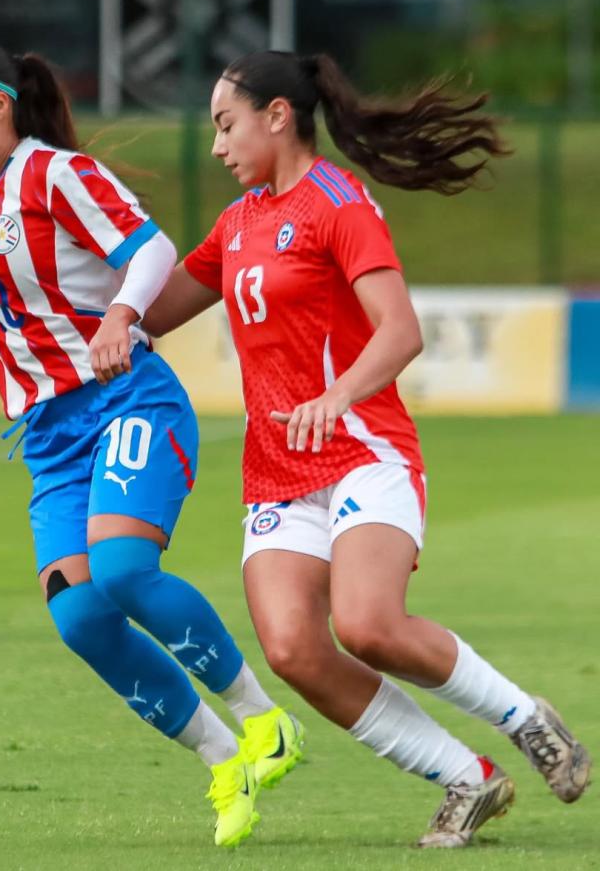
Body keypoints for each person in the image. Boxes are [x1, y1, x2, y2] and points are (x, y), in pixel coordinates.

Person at [0, 37, 306, 849]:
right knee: (83, 617)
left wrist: (122, 316)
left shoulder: (57, 175)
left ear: (0, 106)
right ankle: (223, 758)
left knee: (123, 570)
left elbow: (152, 249)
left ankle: (264, 719)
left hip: (127, 400)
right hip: (50, 437)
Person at [141, 50, 591, 849]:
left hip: (362, 450)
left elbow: (401, 329)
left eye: (226, 124)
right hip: (277, 472)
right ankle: (467, 776)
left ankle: (526, 718)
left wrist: (336, 395)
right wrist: (98, 303)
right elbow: (154, 309)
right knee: (292, 648)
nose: (217, 145)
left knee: (368, 623)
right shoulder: (237, 222)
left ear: (278, 115)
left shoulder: (337, 203)